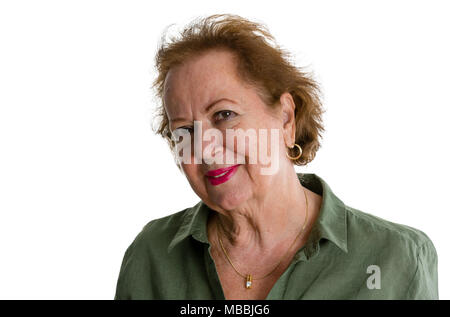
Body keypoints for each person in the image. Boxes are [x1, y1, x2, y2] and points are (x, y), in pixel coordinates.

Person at [114, 14, 438, 299]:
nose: (204, 148)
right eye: (184, 131)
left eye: (224, 114)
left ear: (285, 118)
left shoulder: (397, 258)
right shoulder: (150, 255)